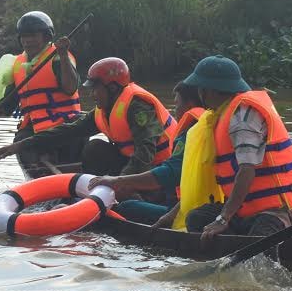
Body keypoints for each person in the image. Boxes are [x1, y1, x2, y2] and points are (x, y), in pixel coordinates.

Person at [180, 55, 292, 241]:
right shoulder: (222, 115)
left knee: (260, 246)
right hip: (245, 209)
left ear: (208, 91)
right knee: (197, 218)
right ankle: (225, 254)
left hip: (274, 210)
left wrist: (223, 218)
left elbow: (247, 170)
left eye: (200, 89)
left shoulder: (242, 116)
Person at [0, 57, 178, 178]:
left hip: (163, 168)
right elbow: (67, 131)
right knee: (94, 148)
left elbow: (146, 151)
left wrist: (121, 182)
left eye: (96, 89)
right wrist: (19, 145)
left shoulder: (137, 106)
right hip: (135, 166)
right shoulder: (103, 110)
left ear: (112, 88)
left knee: (100, 153)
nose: (92, 95)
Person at [0, 11, 84, 176]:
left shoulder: (59, 58)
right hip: (35, 128)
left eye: (33, 35)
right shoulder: (18, 64)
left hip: (66, 125)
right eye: (24, 36)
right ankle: (40, 182)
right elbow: (8, 105)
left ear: (47, 36)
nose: (27, 41)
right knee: (21, 140)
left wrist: (62, 55)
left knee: (75, 134)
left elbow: (70, 89)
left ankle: (70, 181)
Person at [88, 81, 205, 225]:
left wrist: (117, 181)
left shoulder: (190, 134)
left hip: (187, 208)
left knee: (126, 207)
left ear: (189, 106)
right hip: (193, 202)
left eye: (177, 105)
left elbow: (169, 173)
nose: (175, 110)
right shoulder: (208, 125)